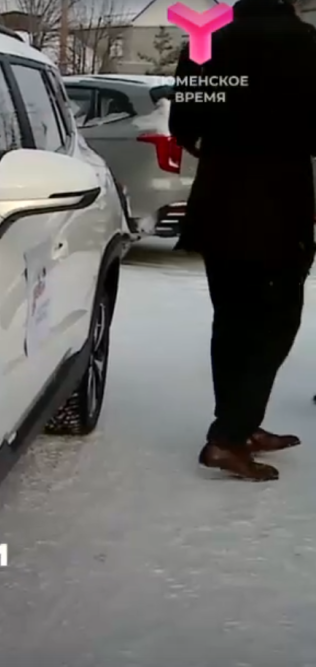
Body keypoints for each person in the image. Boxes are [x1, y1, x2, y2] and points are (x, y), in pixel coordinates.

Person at [169, 0, 316, 481]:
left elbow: (183, 125)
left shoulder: (206, 42)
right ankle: (229, 436)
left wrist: (223, 146)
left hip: (218, 202)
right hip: (281, 205)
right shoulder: (308, 45)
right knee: (276, 322)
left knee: (232, 319)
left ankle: (240, 423)